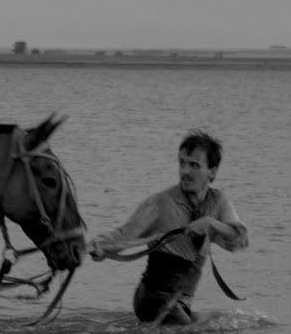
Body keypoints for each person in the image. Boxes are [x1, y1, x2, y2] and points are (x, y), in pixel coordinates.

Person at [89, 130, 248, 324]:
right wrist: (99, 246)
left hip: (180, 305)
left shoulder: (218, 202)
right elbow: (124, 234)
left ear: (212, 171)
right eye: (182, 163)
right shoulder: (161, 203)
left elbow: (240, 240)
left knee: (230, 320)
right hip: (152, 299)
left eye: (194, 165)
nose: (185, 171)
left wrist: (211, 223)